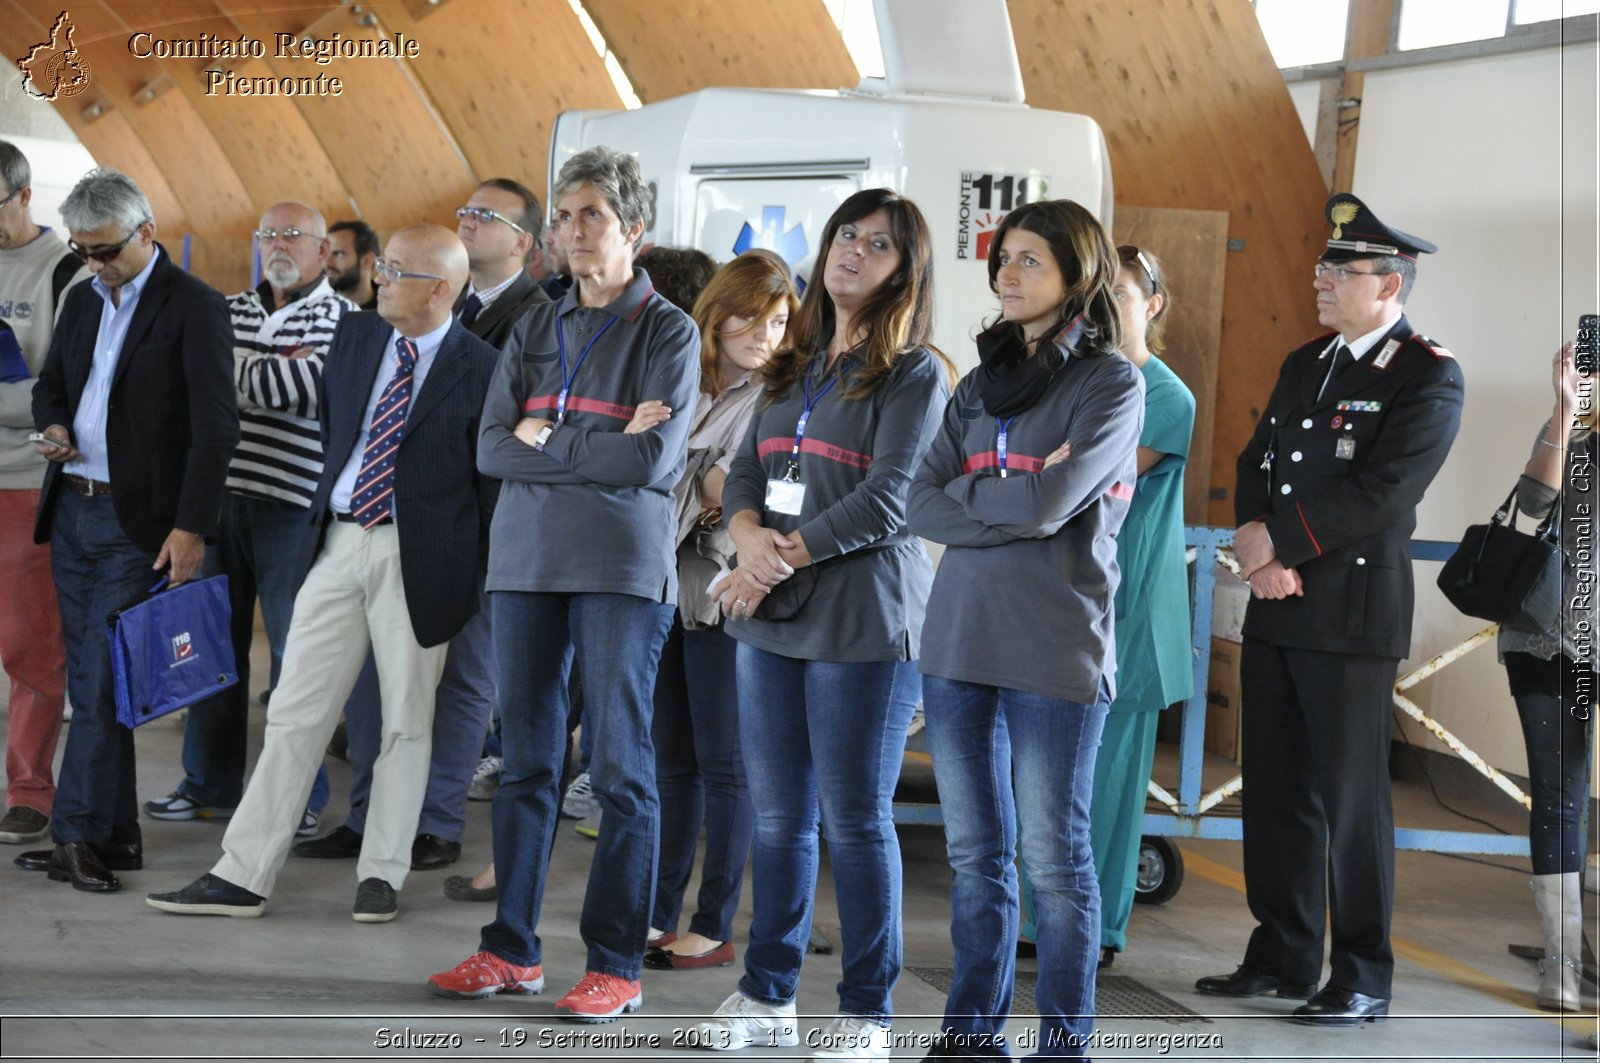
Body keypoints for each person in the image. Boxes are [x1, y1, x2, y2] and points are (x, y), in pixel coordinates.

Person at [144, 224, 500, 922]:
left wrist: (467, 574)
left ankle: (382, 873)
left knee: (405, 720)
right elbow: (341, 432)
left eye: (396, 271)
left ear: (442, 289)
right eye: (383, 268)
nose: (379, 280)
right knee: (292, 710)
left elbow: (488, 491)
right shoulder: (359, 338)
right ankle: (242, 873)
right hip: (337, 542)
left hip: (418, 558)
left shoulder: (485, 367)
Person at [427, 146, 699, 1020]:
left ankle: (616, 962)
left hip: (620, 568)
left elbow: (652, 461)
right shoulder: (536, 323)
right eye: (565, 215)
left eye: (594, 216)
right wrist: (593, 441)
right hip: (524, 563)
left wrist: (548, 435)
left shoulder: (669, 331)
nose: (575, 232)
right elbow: (489, 444)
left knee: (621, 768)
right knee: (526, 766)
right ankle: (511, 950)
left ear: (634, 232)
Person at [692, 188, 953, 1060]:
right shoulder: (791, 362)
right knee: (779, 821)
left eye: (877, 244)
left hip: (862, 626)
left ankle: (865, 1015)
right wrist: (745, 537)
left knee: (855, 822)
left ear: (904, 271)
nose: (852, 252)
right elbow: (742, 476)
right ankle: (768, 995)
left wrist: (777, 556)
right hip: (772, 620)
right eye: (847, 235)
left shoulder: (917, 372)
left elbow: (891, 499)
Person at [1198, 193, 1465, 1025]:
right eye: (1324, 266)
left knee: (1351, 805)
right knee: (1275, 792)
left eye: (1339, 271)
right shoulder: (1305, 361)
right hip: (1281, 606)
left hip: (1348, 614)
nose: (1321, 280)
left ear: (1389, 285)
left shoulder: (1427, 372)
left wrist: (1278, 546)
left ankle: (1361, 973)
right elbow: (1257, 459)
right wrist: (1254, 542)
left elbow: (1384, 493)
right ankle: (1281, 950)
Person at [907, 199, 1143, 1061]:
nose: (1007, 272)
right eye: (1003, 257)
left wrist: (987, 498)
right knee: (976, 856)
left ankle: (1063, 1044)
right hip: (960, 639)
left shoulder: (1111, 383)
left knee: (1055, 863)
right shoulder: (976, 383)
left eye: (1029, 260)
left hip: (1054, 645)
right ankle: (969, 1036)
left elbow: (1051, 506)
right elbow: (919, 498)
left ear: (1077, 275)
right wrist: (1009, 499)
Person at [21, 168, 238, 893]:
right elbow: (53, 383)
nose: (93, 263)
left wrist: (189, 527)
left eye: (106, 249)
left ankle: (75, 834)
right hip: (74, 507)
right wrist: (54, 424)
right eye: (83, 250)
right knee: (99, 679)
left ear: (147, 232)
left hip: (138, 522)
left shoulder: (195, 307)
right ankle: (117, 836)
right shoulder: (83, 298)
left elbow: (216, 430)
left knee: (98, 681)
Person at [142, 201, 351, 838]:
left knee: (296, 658)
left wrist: (217, 373)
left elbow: (303, 391)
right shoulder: (227, 309)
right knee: (209, 651)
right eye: (270, 233)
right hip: (218, 503)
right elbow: (186, 390)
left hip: (295, 509)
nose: (279, 244)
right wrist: (227, 378)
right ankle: (208, 785)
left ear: (325, 253)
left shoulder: (346, 320)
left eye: (295, 234)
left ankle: (299, 796)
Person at [644, 252, 798, 971]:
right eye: (751, 315)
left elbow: (745, 494)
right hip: (659, 581)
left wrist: (703, 473)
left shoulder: (777, 396)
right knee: (671, 761)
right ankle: (656, 913)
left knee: (725, 763)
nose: (764, 333)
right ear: (716, 311)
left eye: (778, 321)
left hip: (726, 591)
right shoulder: (686, 381)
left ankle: (713, 921)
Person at [1085, 245, 1196, 965]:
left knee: (1111, 783)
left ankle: (1098, 928)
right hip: (1071, 606)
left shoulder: (1164, 395)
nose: (1106, 306)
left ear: (1152, 304)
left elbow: (1089, 475)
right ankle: (1046, 916)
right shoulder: (1080, 378)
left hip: (1129, 614)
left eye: (1120, 293)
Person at [1498, 341, 1595, 1012]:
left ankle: (1572, 957)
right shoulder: (1573, 423)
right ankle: (1562, 966)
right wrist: (1564, 409)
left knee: (1566, 797)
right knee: (1560, 797)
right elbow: (1533, 501)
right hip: (1549, 636)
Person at [0, 140, 86, 847]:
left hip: (22, 482)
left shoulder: (66, 275)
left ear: (26, 195)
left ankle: (29, 788)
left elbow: (69, 395)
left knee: (29, 645)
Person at [455, 178, 552, 348]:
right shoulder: (449, 297)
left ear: (520, 243)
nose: (466, 223)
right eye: (465, 212)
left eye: (485, 215)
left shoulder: (540, 320)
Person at [326, 220, 378, 310]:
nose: (327, 263)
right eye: (326, 254)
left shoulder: (389, 310)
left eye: (339, 254)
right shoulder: (317, 308)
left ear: (367, 261)